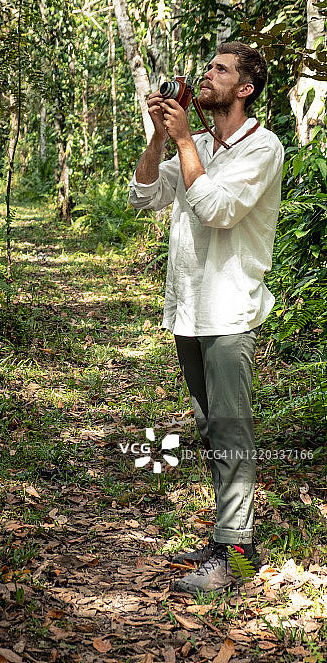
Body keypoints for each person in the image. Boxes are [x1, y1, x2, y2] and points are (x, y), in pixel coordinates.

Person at [129, 41, 284, 594]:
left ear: (244, 88)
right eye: (208, 67)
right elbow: (144, 196)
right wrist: (160, 136)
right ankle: (228, 538)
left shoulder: (262, 147)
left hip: (229, 309)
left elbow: (218, 210)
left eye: (221, 69)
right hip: (189, 308)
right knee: (210, 428)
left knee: (231, 430)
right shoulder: (196, 145)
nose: (207, 75)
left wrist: (182, 142)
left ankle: (235, 553)